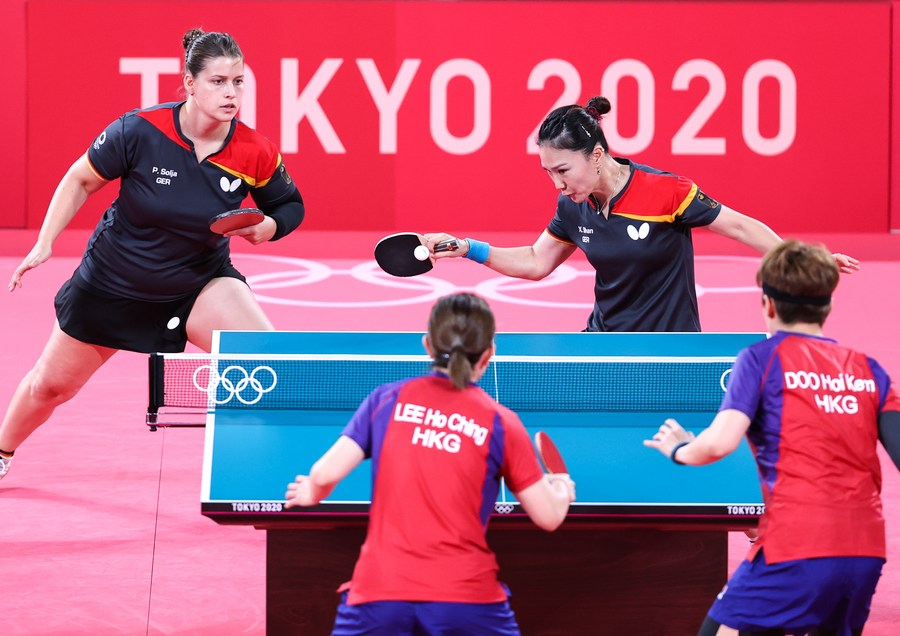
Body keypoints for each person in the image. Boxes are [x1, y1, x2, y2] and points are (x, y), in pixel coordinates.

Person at [0, 29, 305, 480]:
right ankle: (2, 450)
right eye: (218, 81)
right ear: (190, 84)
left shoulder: (254, 151)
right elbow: (80, 179)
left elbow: (290, 205)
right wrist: (45, 241)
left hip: (197, 285)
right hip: (114, 283)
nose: (231, 93)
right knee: (50, 387)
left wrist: (270, 227)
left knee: (271, 366)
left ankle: (296, 473)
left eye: (238, 82)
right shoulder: (140, 130)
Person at [424, 96, 858, 333]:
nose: (557, 184)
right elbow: (537, 262)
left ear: (597, 156)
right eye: (548, 173)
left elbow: (740, 226)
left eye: (563, 171)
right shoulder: (572, 205)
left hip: (672, 348)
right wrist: (467, 248)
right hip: (603, 343)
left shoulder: (666, 191)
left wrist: (807, 260)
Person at [643, 240, 900, 636]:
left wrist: (678, 448)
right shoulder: (870, 370)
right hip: (865, 551)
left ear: (768, 305)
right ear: (829, 306)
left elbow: (718, 444)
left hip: (795, 545)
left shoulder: (760, 359)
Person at [284, 292, 576, 635]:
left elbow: (324, 474)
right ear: (489, 354)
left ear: (427, 345)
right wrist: (561, 487)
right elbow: (548, 516)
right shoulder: (501, 422)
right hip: (465, 599)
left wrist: (312, 492)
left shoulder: (386, 400)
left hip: (380, 592)